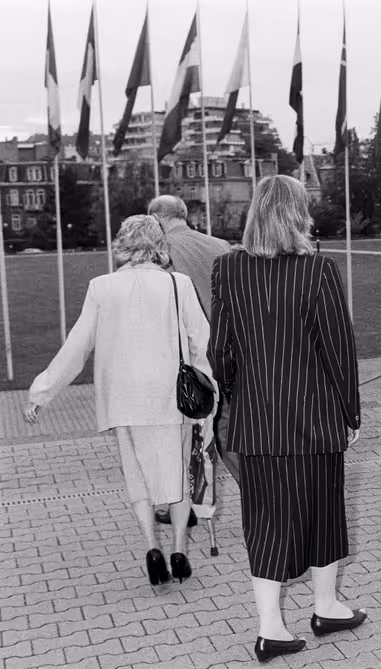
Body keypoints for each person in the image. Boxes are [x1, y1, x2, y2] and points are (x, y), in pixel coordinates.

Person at [209, 175, 365, 662]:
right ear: (298, 213)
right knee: (324, 513)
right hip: (315, 417)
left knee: (265, 521)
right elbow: (338, 349)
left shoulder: (227, 268)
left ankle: (273, 626)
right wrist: (351, 412)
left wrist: (236, 394)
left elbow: (219, 351)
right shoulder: (318, 270)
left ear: (255, 210)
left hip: (256, 420)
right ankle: (324, 606)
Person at [23, 215, 213, 586]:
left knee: (136, 476)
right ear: (160, 245)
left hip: (122, 397)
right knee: (178, 472)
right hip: (173, 395)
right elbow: (201, 342)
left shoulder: (102, 287)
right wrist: (212, 391)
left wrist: (41, 392)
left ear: (122, 243)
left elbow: (77, 347)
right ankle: (178, 550)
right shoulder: (178, 283)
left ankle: (151, 547)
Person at [147, 195, 236, 534]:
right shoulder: (219, 244)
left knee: (185, 434)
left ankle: (184, 503)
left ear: (158, 219)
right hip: (227, 349)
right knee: (222, 428)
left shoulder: (160, 250)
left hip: (187, 356)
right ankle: (258, 494)